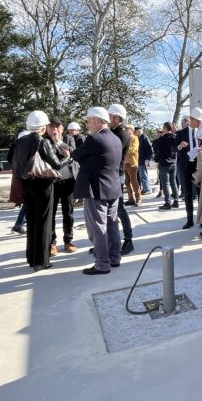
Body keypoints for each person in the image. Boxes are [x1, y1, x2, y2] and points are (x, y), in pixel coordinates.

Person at [11, 111, 71, 271]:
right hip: (43, 185)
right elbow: (57, 164)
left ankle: (31, 257)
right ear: (43, 127)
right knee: (44, 222)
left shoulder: (20, 141)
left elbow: (13, 160)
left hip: (26, 183)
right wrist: (68, 157)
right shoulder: (42, 142)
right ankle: (41, 260)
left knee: (32, 221)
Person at [72, 107, 123, 275]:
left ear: (98, 121)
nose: (88, 124)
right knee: (112, 225)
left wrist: (69, 151)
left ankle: (102, 264)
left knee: (99, 228)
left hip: (98, 190)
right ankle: (114, 258)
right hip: (113, 188)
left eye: (89, 121)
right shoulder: (115, 139)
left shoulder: (93, 139)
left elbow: (76, 155)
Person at [47, 117, 78, 254]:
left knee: (68, 213)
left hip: (68, 181)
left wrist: (59, 142)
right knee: (51, 214)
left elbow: (73, 151)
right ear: (47, 128)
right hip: (52, 183)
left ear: (62, 129)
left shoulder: (68, 139)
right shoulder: (44, 142)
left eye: (57, 127)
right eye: (51, 126)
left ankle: (68, 240)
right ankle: (52, 242)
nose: (54, 129)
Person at [108, 104, 134, 255]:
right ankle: (109, 241)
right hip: (111, 175)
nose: (108, 120)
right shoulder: (112, 132)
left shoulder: (122, 134)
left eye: (110, 117)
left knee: (119, 209)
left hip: (117, 175)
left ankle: (128, 241)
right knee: (110, 210)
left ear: (117, 118)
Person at [175, 107, 202, 229]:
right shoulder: (181, 133)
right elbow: (173, 148)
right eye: (198, 120)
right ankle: (189, 220)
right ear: (192, 119)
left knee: (201, 194)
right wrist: (180, 146)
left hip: (198, 167)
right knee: (187, 194)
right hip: (186, 167)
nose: (200, 123)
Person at [156, 122, 179, 210]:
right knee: (173, 182)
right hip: (173, 163)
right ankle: (176, 201)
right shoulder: (175, 137)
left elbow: (156, 148)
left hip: (164, 163)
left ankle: (167, 202)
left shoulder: (161, 139)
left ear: (165, 128)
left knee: (165, 183)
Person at [124, 125, 141, 206]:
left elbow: (132, 149)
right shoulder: (124, 138)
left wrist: (123, 150)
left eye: (127, 129)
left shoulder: (135, 138)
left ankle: (138, 198)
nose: (126, 130)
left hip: (132, 163)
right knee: (127, 182)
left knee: (134, 181)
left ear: (132, 130)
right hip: (125, 163)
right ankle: (131, 199)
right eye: (125, 129)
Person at [135, 126, 153, 194]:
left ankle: (147, 189)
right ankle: (145, 188)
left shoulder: (144, 137)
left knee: (143, 175)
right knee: (142, 174)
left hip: (143, 159)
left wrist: (148, 159)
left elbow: (149, 149)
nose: (138, 132)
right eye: (137, 131)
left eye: (140, 131)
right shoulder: (139, 138)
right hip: (140, 159)